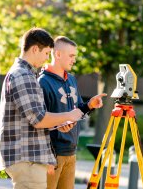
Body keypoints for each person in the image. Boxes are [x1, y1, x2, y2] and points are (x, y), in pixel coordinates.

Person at [0, 28, 84, 189]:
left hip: (29, 158)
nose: (46, 59)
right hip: (27, 158)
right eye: (46, 53)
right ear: (35, 49)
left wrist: (60, 124)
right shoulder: (23, 75)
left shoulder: (25, 74)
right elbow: (38, 119)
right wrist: (69, 115)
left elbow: (33, 118)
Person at [38, 36, 106, 189]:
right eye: (71, 56)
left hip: (71, 153)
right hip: (52, 155)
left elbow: (77, 110)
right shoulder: (43, 82)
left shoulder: (72, 80)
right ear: (58, 54)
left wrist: (89, 105)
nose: (74, 60)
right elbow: (39, 120)